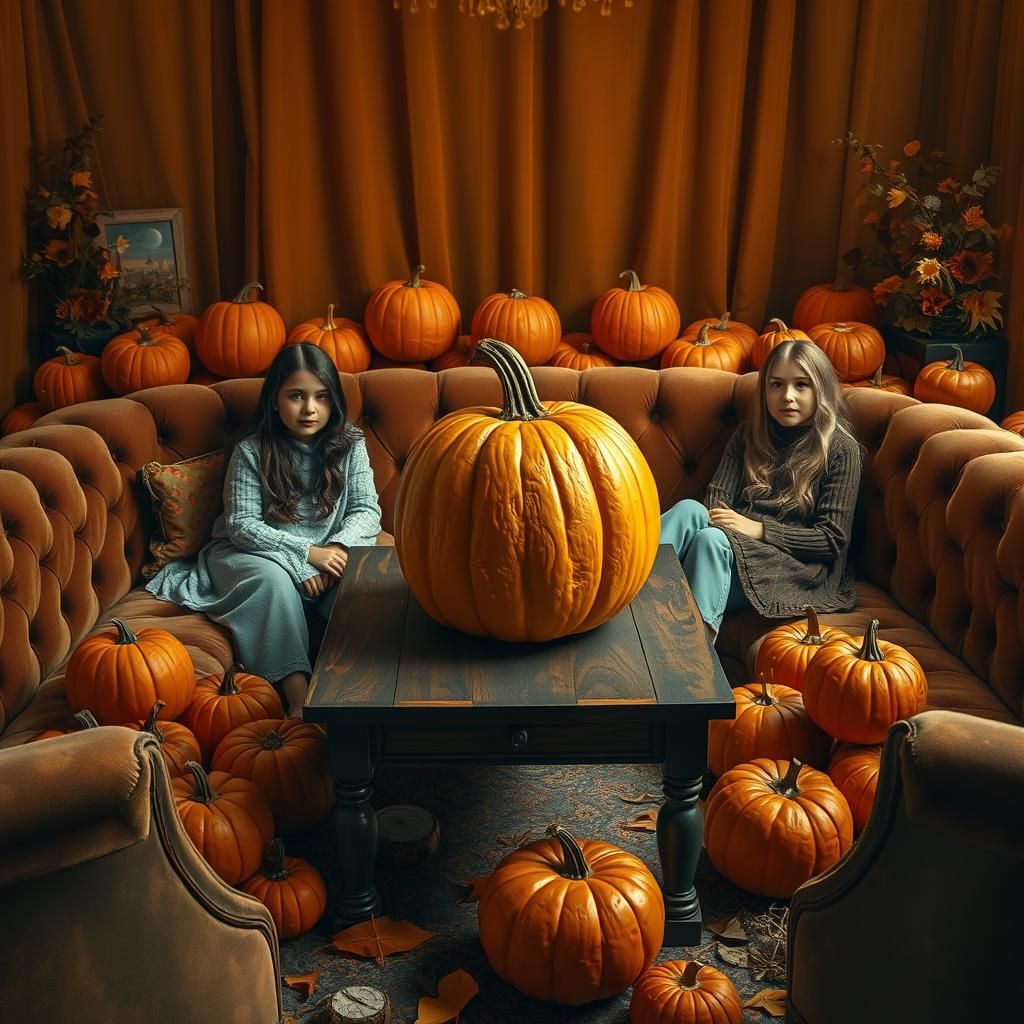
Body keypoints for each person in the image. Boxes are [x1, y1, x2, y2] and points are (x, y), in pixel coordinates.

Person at [146, 342, 382, 719]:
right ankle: (297, 700)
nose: (309, 408)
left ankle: (359, 696)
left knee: (362, 586)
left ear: (334, 400)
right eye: (296, 396)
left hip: (327, 556)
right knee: (273, 582)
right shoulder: (252, 450)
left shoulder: (350, 443)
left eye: (321, 397)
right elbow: (242, 526)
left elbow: (366, 510)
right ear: (274, 399)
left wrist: (336, 551)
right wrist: (305, 557)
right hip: (251, 553)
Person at [659, 339, 863, 644]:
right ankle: (622, 592)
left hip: (793, 568)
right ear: (765, 391)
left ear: (821, 389)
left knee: (710, 540)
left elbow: (831, 539)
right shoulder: (749, 436)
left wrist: (758, 529)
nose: (787, 396)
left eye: (801, 385)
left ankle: (691, 657)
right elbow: (716, 502)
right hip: (735, 546)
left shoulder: (840, 449)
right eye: (776, 385)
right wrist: (737, 529)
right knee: (690, 509)